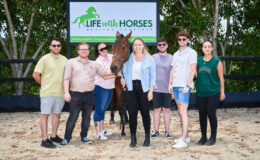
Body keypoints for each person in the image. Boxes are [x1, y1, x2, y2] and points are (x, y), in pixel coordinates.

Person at [59, 42, 111, 146]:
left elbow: (105, 72)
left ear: (89, 51)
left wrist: (118, 66)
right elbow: (66, 78)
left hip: (89, 95)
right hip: (75, 95)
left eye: (86, 49)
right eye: (82, 49)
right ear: (78, 51)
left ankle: (84, 137)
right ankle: (66, 138)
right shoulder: (71, 62)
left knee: (87, 117)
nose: (84, 51)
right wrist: (66, 93)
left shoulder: (94, 64)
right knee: (73, 117)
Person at [32, 38, 68, 148]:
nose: (56, 47)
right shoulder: (44, 59)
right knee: (45, 115)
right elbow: (35, 75)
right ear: (50, 47)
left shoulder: (65, 60)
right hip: (47, 92)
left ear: (61, 47)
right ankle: (44, 139)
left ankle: (53, 136)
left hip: (60, 93)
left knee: (57, 115)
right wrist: (45, 85)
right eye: (54, 45)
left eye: (58, 45)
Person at [122, 38, 156, 147]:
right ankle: (133, 138)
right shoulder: (128, 59)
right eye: (135, 45)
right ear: (133, 46)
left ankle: (147, 138)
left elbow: (153, 77)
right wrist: (123, 79)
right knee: (132, 113)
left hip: (144, 88)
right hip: (131, 88)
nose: (137, 46)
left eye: (139, 44)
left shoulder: (149, 59)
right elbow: (123, 72)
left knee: (145, 113)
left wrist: (151, 91)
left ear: (143, 46)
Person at [168, 30, 197, 149]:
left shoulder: (192, 53)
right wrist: (170, 84)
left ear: (188, 40)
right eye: (179, 39)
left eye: (184, 39)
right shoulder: (176, 54)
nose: (181, 41)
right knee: (180, 110)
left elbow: (192, 70)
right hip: (175, 85)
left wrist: (188, 85)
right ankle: (186, 136)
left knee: (183, 111)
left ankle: (184, 140)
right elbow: (172, 69)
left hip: (184, 86)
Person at [196, 41, 225, 146]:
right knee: (202, 114)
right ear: (202, 49)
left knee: (211, 113)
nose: (207, 48)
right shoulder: (197, 61)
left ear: (212, 49)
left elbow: (221, 78)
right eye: (205, 47)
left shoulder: (217, 61)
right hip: (200, 92)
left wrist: (222, 92)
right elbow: (194, 74)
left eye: (209, 47)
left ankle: (213, 137)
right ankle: (203, 137)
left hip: (214, 92)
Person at [94, 43, 119, 140]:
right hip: (100, 87)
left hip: (109, 87)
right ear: (98, 52)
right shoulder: (98, 62)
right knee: (99, 110)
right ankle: (98, 133)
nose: (104, 50)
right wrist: (117, 75)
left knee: (103, 109)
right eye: (101, 49)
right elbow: (104, 77)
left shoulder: (111, 56)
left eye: (105, 48)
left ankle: (102, 129)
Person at [151, 38, 173, 138]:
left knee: (166, 110)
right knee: (156, 110)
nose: (162, 46)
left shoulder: (172, 58)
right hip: (155, 89)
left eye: (164, 44)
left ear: (167, 45)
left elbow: (174, 73)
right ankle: (156, 130)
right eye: (159, 45)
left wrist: (172, 87)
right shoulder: (153, 57)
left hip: (167, 89)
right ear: (157, 47)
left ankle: (167, 131)